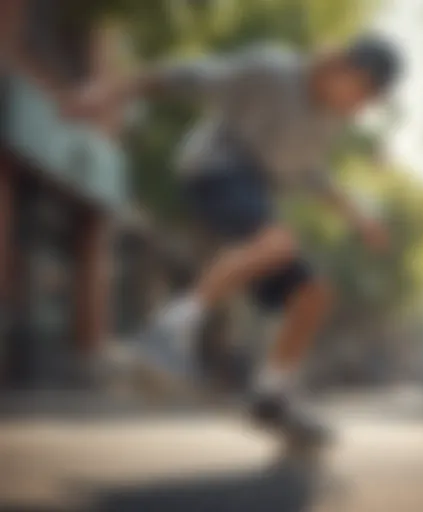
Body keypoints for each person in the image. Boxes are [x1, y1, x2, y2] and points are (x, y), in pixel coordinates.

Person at [64, 35, 401, 433]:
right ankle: (167, 333)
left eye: (369, 102)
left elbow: (312, 174)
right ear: (339, 65)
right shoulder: (271, 70)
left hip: (254, 190)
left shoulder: (329, 122)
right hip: (212, 168)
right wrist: (109, 91)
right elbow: (187, 76)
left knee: (313, 294)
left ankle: (270, 396)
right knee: (273, 242)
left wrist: (358, 217)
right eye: (362, 91)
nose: (359, 107)